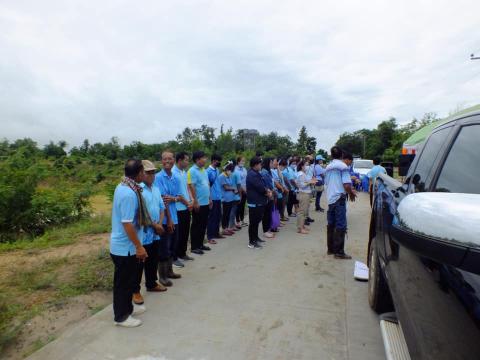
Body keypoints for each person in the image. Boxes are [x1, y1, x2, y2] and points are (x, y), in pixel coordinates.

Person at [110, 159, 148, 328]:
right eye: (144, 172)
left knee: (129, 280)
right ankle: (121, 317)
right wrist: (139, 246)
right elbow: (127, 223)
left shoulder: (125, 186)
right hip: (124, 248)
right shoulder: (128, 193)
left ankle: (128, 309)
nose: (145, 175)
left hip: (127, 247)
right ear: (139, 173)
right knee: (123, 284)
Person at [133, 160, 167, 307]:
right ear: (142, 174)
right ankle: (135, 290)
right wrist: (154, 225)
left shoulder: (155, 188)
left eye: (153, 172)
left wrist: (159, 224)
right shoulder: (137, 189)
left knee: (153, 258)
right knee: (140, 263)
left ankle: (152, 283)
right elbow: (140, 213)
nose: (152, 175)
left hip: (155, 232)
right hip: (143, 232)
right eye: (148, 173)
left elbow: (161, 207)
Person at [154, 150, 182, 285]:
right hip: (164, 219)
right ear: (161, 161)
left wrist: (174, 199)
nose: (167, 161)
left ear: (174, 160)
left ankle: (170, 271)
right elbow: (163, 200)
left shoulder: (175, 178)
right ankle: (163, 276)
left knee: (172, 246)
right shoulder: (158, 177)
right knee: (164, 248)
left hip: (174, 217)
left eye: (170, 159)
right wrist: (169, 220)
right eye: (164, 159)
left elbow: (177, 197)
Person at [324, 146, 357, 259]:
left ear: (332, 155)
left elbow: (327, 183)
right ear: (342, 155)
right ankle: (339, 252)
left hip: (331, 199)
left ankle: (331, 249)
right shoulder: (343, 167)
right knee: (341, 225)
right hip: (339, 198)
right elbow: (346, 184)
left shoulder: (328, 167)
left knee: (331, 224)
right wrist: (351, 193)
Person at [188, 151, 212, 255]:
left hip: (206, 202)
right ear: (197, 159)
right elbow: (191, 186)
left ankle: (200, 244)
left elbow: (207, 184)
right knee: (196, 225)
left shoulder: (204, 170)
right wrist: (195, 202)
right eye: (203, 158)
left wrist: (210, 198)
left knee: (203, 224)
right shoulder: (192, 171)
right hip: (198, 203)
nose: (205, 159)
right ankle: (194, 247)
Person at [173, 152, 195, 262]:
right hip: (178, 208)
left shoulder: (184, 172)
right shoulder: (173, 173)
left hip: (186, 207)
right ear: (180, 160)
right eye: (186, 160)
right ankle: (175, 257)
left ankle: (183, 253)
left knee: (185, 232)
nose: (187, 162)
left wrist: (191, 200)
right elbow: (177, 194)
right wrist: (188, 203)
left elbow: (187, 188)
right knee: (178, 234)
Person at [246, 156, 271, 249]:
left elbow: (264, 184)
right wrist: (267, 192)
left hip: (259, 202)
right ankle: (251, 242)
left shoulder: (256, 173)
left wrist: (267, 190)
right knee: (253, 223)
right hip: (254, 202)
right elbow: (260, 187)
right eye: (260, 164)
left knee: (256, 222)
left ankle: (255, 238)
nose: (261, 166)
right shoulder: (252, 174)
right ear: (256, 165)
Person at [296, 160, 317, 234]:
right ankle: (300, 228)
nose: (306, 167)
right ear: (302, 166)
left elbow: (306, 181)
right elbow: (301, 185)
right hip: (303, 194)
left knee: (304, 211)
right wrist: (310, 182)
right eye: (305, 165)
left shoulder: (303, 174)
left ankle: (302, 226)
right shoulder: (301, 174)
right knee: (302, 212)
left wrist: (312, 181)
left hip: (305, 193)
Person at [206, 154, 223, 244]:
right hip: (212, 197)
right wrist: (209, 198)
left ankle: (216, 233)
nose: (219, 162)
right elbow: (207, 185)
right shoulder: (208, 171)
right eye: (218, 161)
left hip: (218, 196)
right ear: (213, 161)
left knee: (218, 216)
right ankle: (210, 236)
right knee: (212, 217)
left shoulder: (217, 170)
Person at [219, 162, 237, 236]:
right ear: (226, 169)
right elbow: (226, 187)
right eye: (230, 170)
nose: (231, 172)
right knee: (225, 214)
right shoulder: (222, 176)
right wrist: (233, 189)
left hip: (230, 198)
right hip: (225, 198)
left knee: (228, 213)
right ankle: (224, 228)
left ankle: (226, 227)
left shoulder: (228, 176)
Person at [260, 157, 275, 239]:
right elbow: (267, 185)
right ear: (268, 163)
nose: (272, 164)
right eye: (271, 162)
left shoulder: (268, 172)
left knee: (269, 213)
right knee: (266, 214)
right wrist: (271, 191)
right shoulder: (264, 173)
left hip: (271, 194)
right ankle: (265, 231)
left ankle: (268, 229)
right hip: (267, 195)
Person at [234, 156, 248, 227]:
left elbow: (246, 179)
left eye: (244, 161)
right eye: (242, 161)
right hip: (239, 190)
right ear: (238, 161)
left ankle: (242, 220)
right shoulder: (236, 170)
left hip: (245, 190)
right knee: (238, 205)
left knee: (242, 206)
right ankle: (237, 221)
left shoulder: (244, 169)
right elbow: (238, 182)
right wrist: (243, 190)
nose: (243, 162)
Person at [229, 159, 242, 231]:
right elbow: (239, 185)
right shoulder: (236, 173)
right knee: (233, 211)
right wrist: (240, 195)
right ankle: (232, 226)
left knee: (230, 210)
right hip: (235, 194)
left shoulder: (227, 173)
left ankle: (231, 225)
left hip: (228, 195)